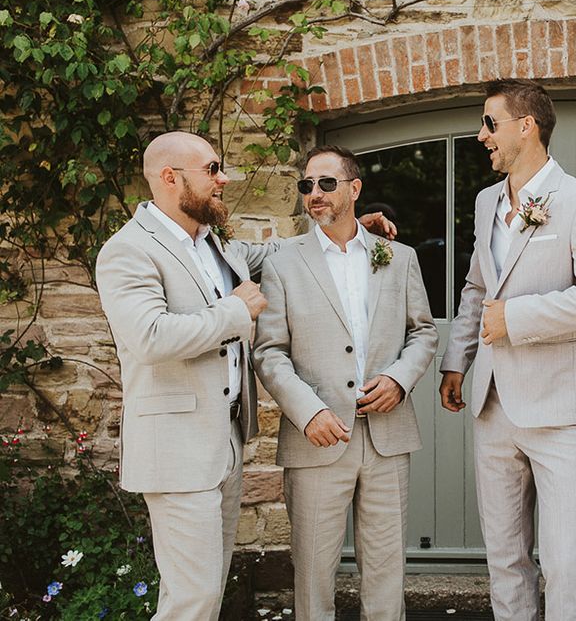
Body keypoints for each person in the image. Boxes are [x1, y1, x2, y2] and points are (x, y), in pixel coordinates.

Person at [95, 132, 395, 621]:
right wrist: (235, 312)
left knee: (206, 593)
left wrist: (349, 227)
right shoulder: (129, 250)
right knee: (190, 599)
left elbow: (284, 253)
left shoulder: (216, 245)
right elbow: (149, 337)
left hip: (224, 445)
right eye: (212, 169)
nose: (224, 179)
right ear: (171, 178)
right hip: (177, 450)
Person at [439, 79, 576, 621]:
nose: (481, 136)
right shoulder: (485, 201)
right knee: (504, 558)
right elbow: (478, 286)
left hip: (560, 412)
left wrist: (515, 319)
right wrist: (458, 358)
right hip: (492, 406)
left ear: (528, 126)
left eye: (490, 124)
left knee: (564, 562)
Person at [254, 144, 438, 621]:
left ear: (355, 189)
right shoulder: (281, 262)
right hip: (317, 437)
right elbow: (269, 351)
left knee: (386, 568)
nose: (314, 194)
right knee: (313, 573)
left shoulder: (397, 257)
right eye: (307, 185)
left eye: (326, 183)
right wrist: (308, 411)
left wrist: (399, 378)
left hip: (387, 435)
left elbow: (423, 331)